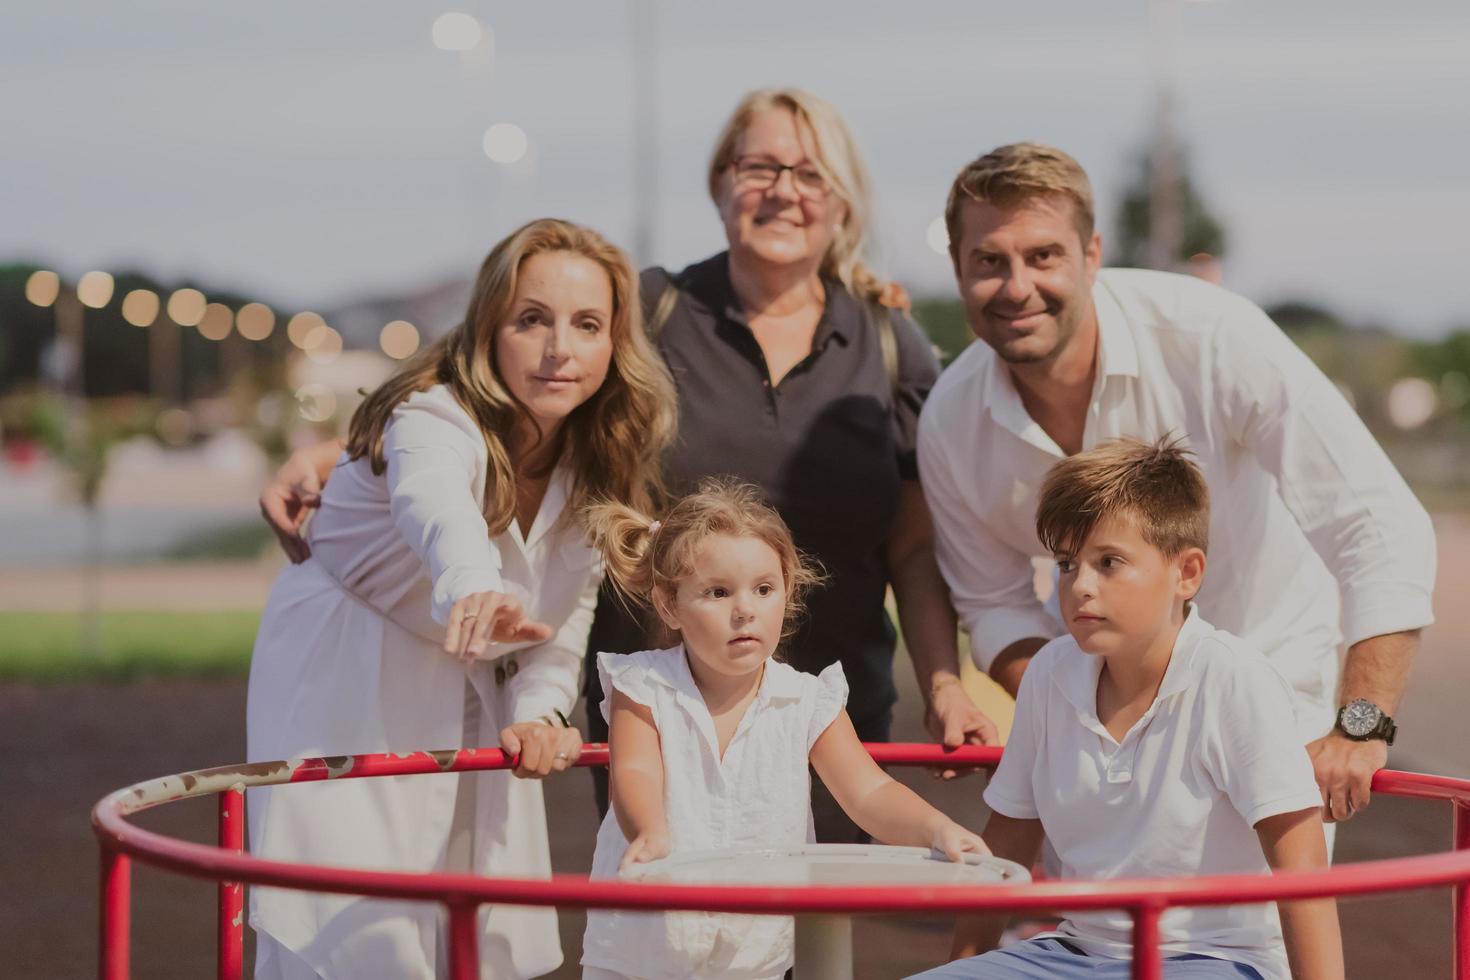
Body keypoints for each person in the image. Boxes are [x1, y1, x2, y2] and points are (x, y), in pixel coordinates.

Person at [262, 89, 999, 842]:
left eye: (810, 173)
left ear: (844, 201)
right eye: (759, 166)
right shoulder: (653, 308)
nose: (783, 190)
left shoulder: (888, 340)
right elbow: (497, 372)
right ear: (718, 182)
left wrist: (944, 682)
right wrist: (347, 449)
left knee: (814, 948)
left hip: (830, 710)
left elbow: (912, 546)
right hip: (663, 713)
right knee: (668, 934)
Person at [917, 143, 1436, 826]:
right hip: (1105, 726)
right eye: (989, 261)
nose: (1017, 287)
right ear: (958, 269)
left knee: (1260, 931)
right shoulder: (951, 421)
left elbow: (1378, 525)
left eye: (1044, 255)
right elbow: (993, 604)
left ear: (1092, 254)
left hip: (1273, 695)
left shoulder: (1214, 336)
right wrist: (1078, 701)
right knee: (1103, 931)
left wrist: (1363, 727)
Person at [246, 218, 677, 979]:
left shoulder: (591, 463)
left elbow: (564, 623)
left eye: (587, 325)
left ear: (616, 344)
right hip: (345, 672)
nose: (559, 349)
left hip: (472, 679)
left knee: (473, 934)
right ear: (487, 329)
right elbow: (434, 502)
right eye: (531, 319)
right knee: (354, 933)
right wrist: (473, 580)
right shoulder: (433, 416)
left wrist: (540, 714)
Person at [911, 439, 1342, 980]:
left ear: (1186, 573)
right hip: (1074, 952)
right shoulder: (1050, 672)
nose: (1080, 587)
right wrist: (962, 970)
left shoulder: (1234, 680)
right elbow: (1009, 841)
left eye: (1109, 562)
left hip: (1214, 960)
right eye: (1067, 564)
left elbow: (1302, 874)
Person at [579, 479, 988, 980]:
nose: (745, 609)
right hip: (643, 946)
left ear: (787, 594)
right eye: (718, 592)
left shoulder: (806, 699)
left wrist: (937, 828)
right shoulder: (642, 685)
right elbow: (634, 769)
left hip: (753, 953)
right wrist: (649, 831)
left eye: (764, 589)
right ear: (669, 605)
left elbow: (868, 790)